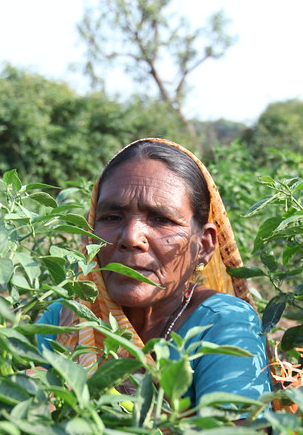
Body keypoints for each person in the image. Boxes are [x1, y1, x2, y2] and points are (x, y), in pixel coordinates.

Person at [37, 138, 270, 410]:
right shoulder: (68, 316)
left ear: (204, 246)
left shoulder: (222, 322)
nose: (132, 238)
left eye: (162, 219)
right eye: (112, 217)